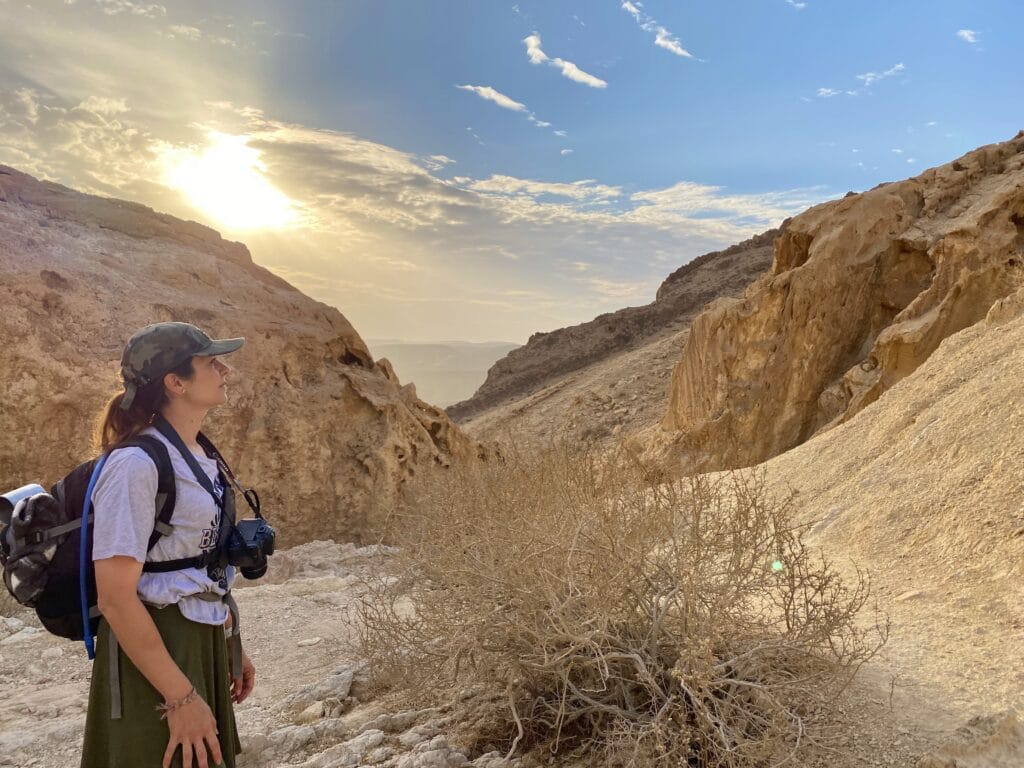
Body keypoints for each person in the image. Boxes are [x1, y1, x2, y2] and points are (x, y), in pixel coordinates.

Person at [80, 322, 256, 768]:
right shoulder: (135, 465)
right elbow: (116, 598)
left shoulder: (199, 453)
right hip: (155, 650)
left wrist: (229, 639)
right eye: (211, 363)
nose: (225, 371)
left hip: (195, 640)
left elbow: (191, 563)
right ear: (175, 383)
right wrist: (179, 699)